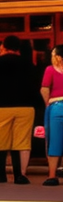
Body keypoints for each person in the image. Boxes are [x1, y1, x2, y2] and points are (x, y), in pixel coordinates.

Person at [0, 35, 37, 185]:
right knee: (20, 142)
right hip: (25, 107)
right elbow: (35, 86)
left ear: (4, 46)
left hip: (1, 106)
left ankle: (1, 174)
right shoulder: (28, 63)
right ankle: (19, 175)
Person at [40, 45, 63, 187]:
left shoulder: (50, 70)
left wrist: (47, 104)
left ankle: (52, 175)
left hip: (56, 106)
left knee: (54, 141)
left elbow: (44, 89)